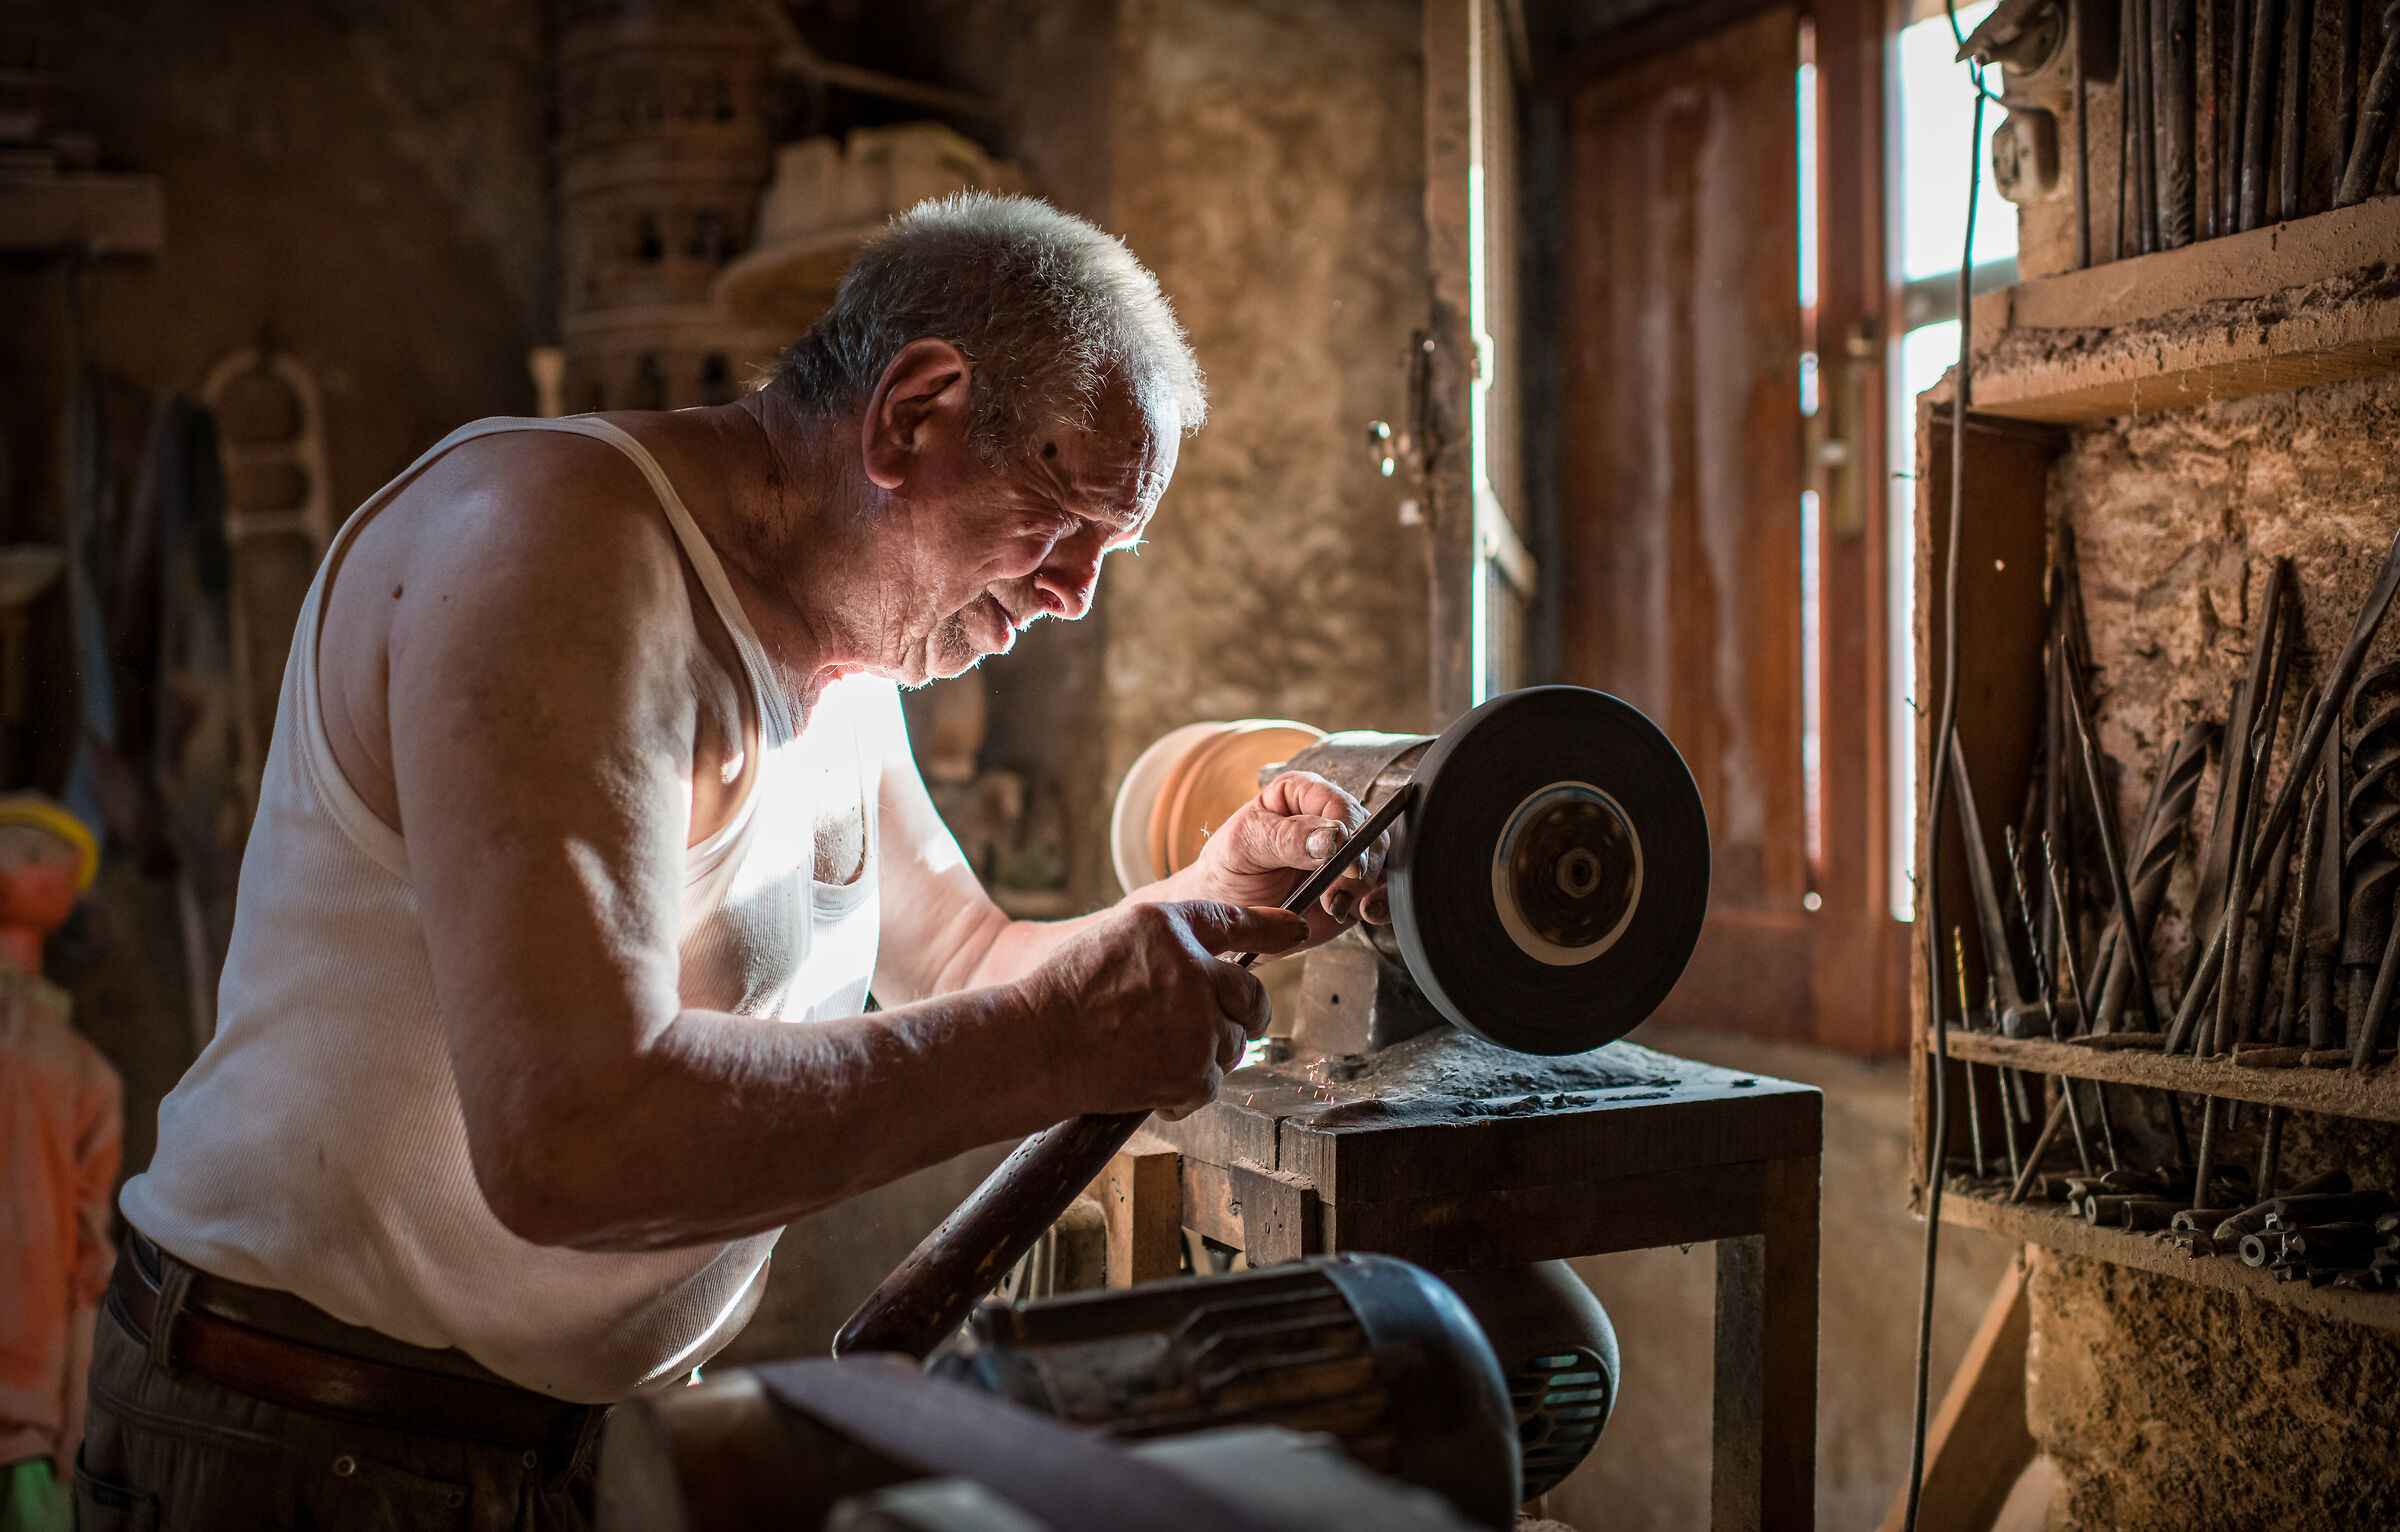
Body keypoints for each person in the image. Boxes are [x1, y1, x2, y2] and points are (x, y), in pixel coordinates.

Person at [79, 193, 1390, 1529]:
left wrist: (1205, 897)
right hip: (298, 1440)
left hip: (564, 1451)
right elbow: (571, 1141)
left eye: (1112, 551)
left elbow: (969, 971)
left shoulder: (849, 655)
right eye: (1063, 518)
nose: (1076, 596)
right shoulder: (551, 548)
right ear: (912, 414)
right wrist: (1067, 1043)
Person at [0, 794, 118, 1532]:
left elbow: (89, 1260)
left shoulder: (84, 1072)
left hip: (31, 1420)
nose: (16, 866)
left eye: (39, 855)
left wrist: (76, 1428)